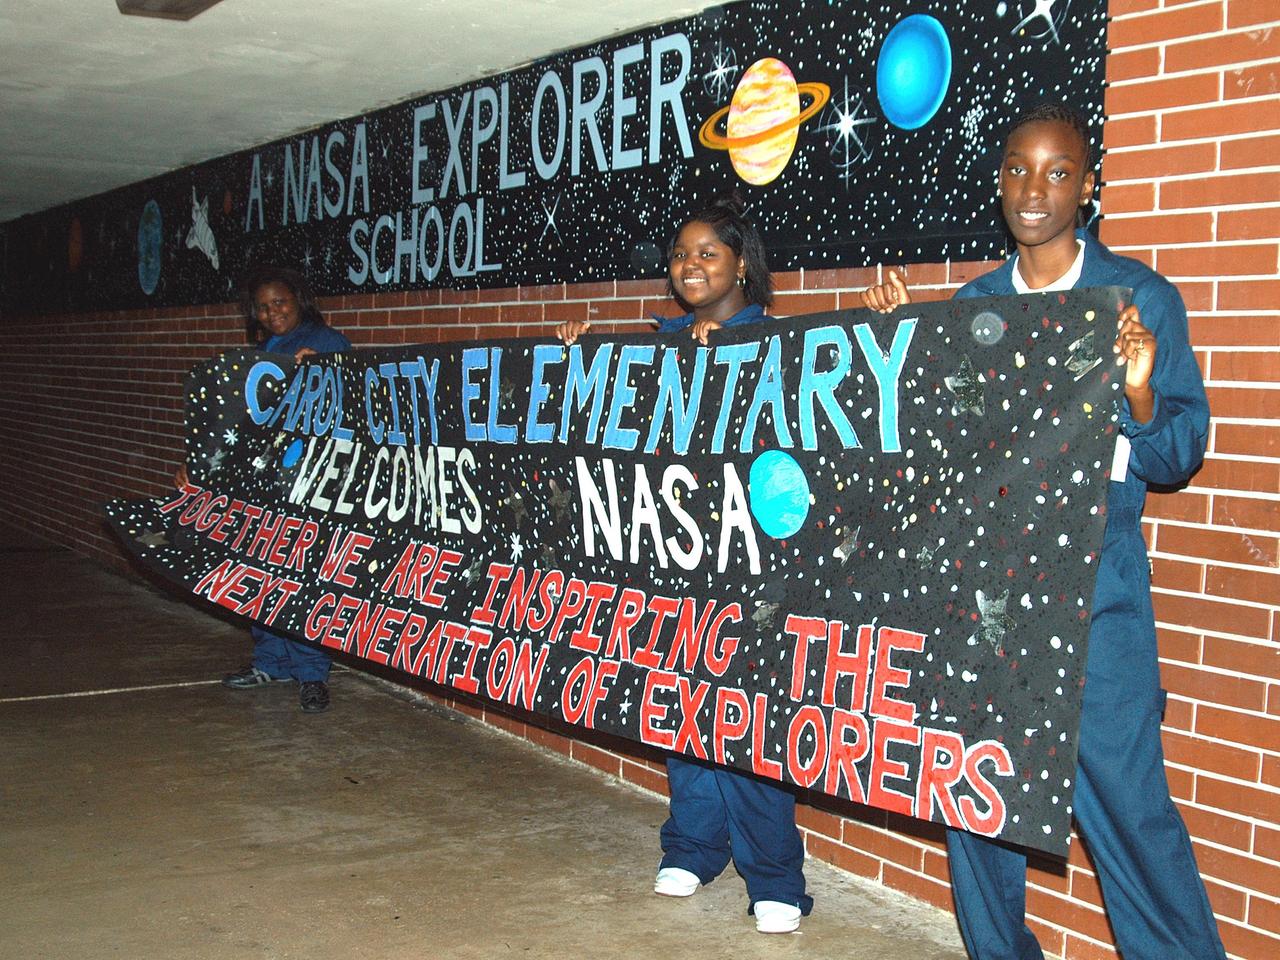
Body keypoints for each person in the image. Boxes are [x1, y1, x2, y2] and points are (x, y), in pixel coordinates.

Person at [862, 104, 1224, 960]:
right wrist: (895, 348)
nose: (1036, 189)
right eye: (1020, 169)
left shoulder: (1138, 299)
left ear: (1088, 187)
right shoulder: (975, 304)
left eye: (1059, 172)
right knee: (977, 798)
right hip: (989, 588)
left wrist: (1138, 393)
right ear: (999, 182)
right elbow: (936, 453)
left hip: (1098, 586)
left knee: (1130, 807)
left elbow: (1178, 452)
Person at [557, 196, 814, 934]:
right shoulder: (656, 344)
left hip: (748, 572)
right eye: (680, 254)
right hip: (671, 565)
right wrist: (579, 362)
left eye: (708, 252)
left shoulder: (778, 342)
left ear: (742, 263)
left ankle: (775, 879)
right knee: (679, 714)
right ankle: (695, 848)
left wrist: (727, 358)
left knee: (746, 724)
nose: (690, 265)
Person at [174, 265, 350, 714]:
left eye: (281, 303)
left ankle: (312, 675)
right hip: (264, 484)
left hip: (307, 485)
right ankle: (270, 663)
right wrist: (196, 465)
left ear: (299, 300)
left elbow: (350, 400)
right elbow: (237, 421)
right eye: (264, 307)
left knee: (302, 581)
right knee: (262, 574)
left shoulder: (326, 342)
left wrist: (323, 371)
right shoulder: (260, 352)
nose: (274, 313)